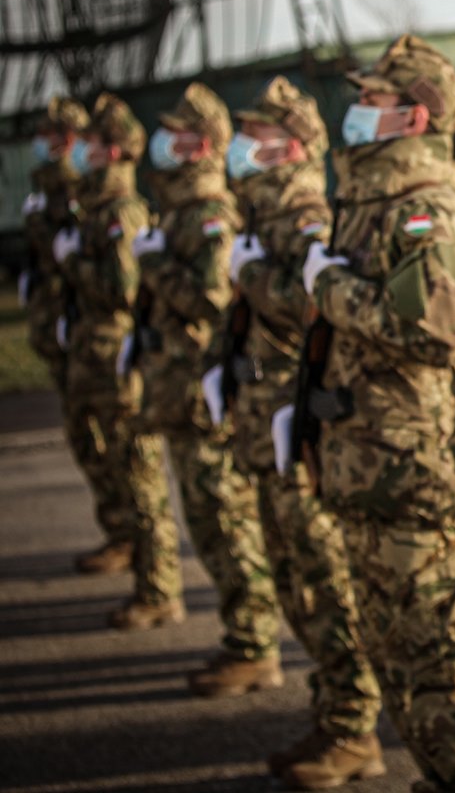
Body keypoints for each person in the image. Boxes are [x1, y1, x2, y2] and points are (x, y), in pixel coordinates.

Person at [292, 33, 455, 792]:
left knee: (445, 663)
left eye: (372, 100)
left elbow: (434, 327)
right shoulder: (371, 198)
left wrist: (330, 288)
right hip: (367, 467)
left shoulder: (427, 209)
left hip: (415, 472)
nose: (355, 112)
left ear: (413, 118)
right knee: (397, 657)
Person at [207, 76, 385, 788]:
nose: (247, 146)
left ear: (298, 144)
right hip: (263, 422)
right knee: (292, 578)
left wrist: (253, 277)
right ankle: (334, 712)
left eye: (262, 134)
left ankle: (354, 728)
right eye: (245, 133)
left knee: (321, 579)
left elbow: (316, 307)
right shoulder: (262, 210)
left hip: (296, 423)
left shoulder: (306, 209)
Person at [129, 83, 282, 696]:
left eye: (180, 133)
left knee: (227, 520)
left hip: (205, 396)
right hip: (182, 392)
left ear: (206, 144)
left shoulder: (212, 212)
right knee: (207, 520)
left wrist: (155, 264)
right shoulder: (182, 210)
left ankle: (255, 646)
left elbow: (212, 301)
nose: (167, 143)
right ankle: (243, 639)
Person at [54, 93, 183, 629]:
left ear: (113, 151)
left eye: (89, 143)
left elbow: (124, 289)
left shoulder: (123, 213)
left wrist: (76, 265)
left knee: (140, 477)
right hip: (94, 359)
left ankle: (161, 592)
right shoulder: (96, 210)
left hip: (120, 365)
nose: (78, 151)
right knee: (113, 466)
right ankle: (136, 564)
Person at [23, 97, 134, 573]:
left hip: (103, 343)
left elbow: (114, 284)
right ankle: (122, 535)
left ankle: (135, 545)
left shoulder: (100, 201)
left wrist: (62, 253)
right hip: (76, 334)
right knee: (88, 441)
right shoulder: (67, 193)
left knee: (123, 453)